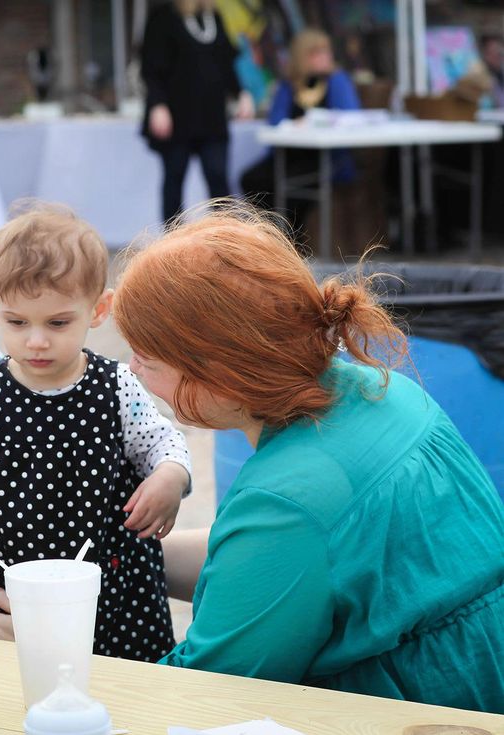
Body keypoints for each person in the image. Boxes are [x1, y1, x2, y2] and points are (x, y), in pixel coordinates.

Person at [112, 200, 504, 713]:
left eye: (149, 356)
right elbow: (280, 560)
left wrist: (53, 659)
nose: (133, 368)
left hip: (414, 714)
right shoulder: (377, 389)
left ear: (224, 375)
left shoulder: (288, 501)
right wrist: (114, 568)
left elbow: (207, 696)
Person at [0, 206, 192, 662]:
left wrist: (170, 476)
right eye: (16, 322)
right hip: (2, 573)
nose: (36, 341)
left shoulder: (117, 386)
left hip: (109, 582)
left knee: (115, 685)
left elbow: (161, 441)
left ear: (99, 309)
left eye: (57, 323)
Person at [140, 0, 253, 223]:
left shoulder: (213, 17)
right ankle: (172, 245)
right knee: (174, 179)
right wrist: (158, 105)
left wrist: (241, 93)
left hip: (212, 118)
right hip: (176, 116)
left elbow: (225, 64)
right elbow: (151, 69)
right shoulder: (163, 17)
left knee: (218, 178)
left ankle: (226, 241)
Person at [239, 29, 360, 224]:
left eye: (326, 52)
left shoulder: (337, 80)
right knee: (252, 179)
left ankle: (293, 240)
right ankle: (268, 236)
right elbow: (275, 121)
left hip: (323, 157)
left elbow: (348, 117)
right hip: (289, 154)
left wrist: (316, 121)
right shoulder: (289, 85)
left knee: (293, 189)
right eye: (317, 53)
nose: (324, 58)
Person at [480, 33, 504, 109]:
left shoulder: (500, 72)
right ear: (485, 54)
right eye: (493, 52)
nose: (498, 56)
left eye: (500, 53)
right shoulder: (480, 76)